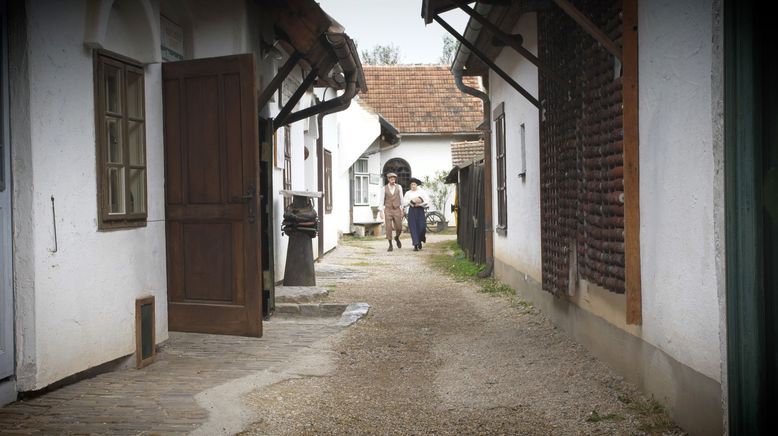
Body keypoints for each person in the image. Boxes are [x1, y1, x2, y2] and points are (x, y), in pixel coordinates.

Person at [378, 172, 404, 252]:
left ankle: (397, 237)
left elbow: (402, 199)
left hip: (397, 209)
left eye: (394, 178)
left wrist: (402, 210)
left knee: (399, 227)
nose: (393, 180)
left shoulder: (399, 187)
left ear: (395, 179)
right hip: (388, 209)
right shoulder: (384, 188)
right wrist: (381, 211)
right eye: (391, 178)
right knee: (388, 228)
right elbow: (381, 200)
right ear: (388, 179)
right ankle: (390, 244)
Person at [403, 177, 428, 251]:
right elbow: (404, 202)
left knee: (422, 227)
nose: (413, 186)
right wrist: (411, 202)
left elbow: (426, 201)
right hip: (412, 211)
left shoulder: (422, 192)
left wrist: (419, 204)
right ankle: (416, 244)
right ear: (410, 186)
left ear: (417, 185)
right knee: (413, 228)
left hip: (420, 210)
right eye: (412, 185)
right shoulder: (408, 193)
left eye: (414, 184)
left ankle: (420, 240)